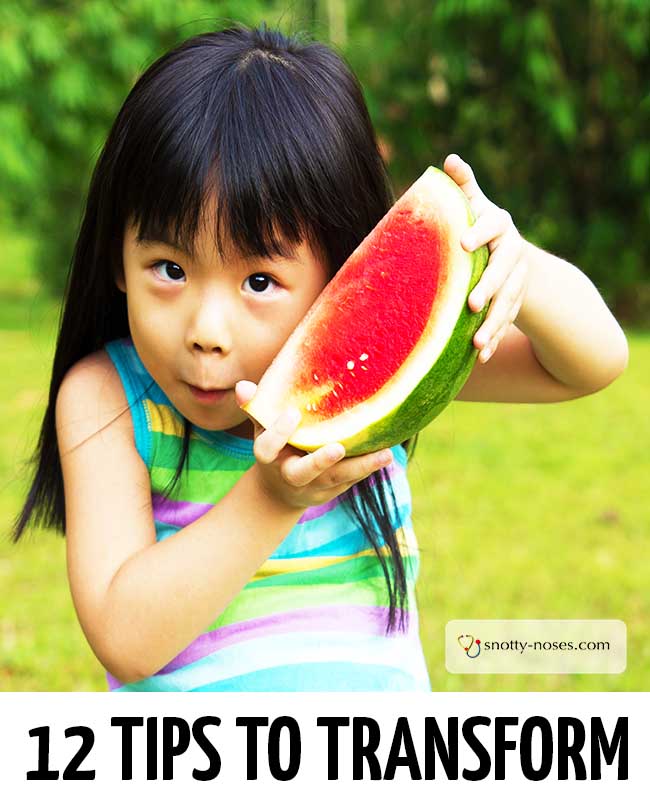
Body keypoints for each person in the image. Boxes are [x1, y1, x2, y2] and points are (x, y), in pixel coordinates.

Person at [14, 24, 628, 692]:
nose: (206, 330)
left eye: (258, 282)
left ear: (342, 272)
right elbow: (124, 637)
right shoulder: (108, 396)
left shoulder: (369, 360)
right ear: (117, 257)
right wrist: (272, 497)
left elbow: (592, 361)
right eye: (169, 267)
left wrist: (518, 267)